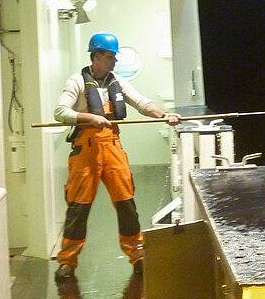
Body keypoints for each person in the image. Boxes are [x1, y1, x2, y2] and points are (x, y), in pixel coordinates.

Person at [53, 32, 181, 280]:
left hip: (113, 150)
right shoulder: (77, 82)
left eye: (114, 57)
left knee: (126, 206)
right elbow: (60, 111)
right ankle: (67, 261)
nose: (114, 61)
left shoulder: (118, 82)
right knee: (78, 209)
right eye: (111, 56)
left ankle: (138, 257)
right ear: (96, 56)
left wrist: (164, 114)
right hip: (85, 153)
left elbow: (143, 103)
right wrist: (89, 117)